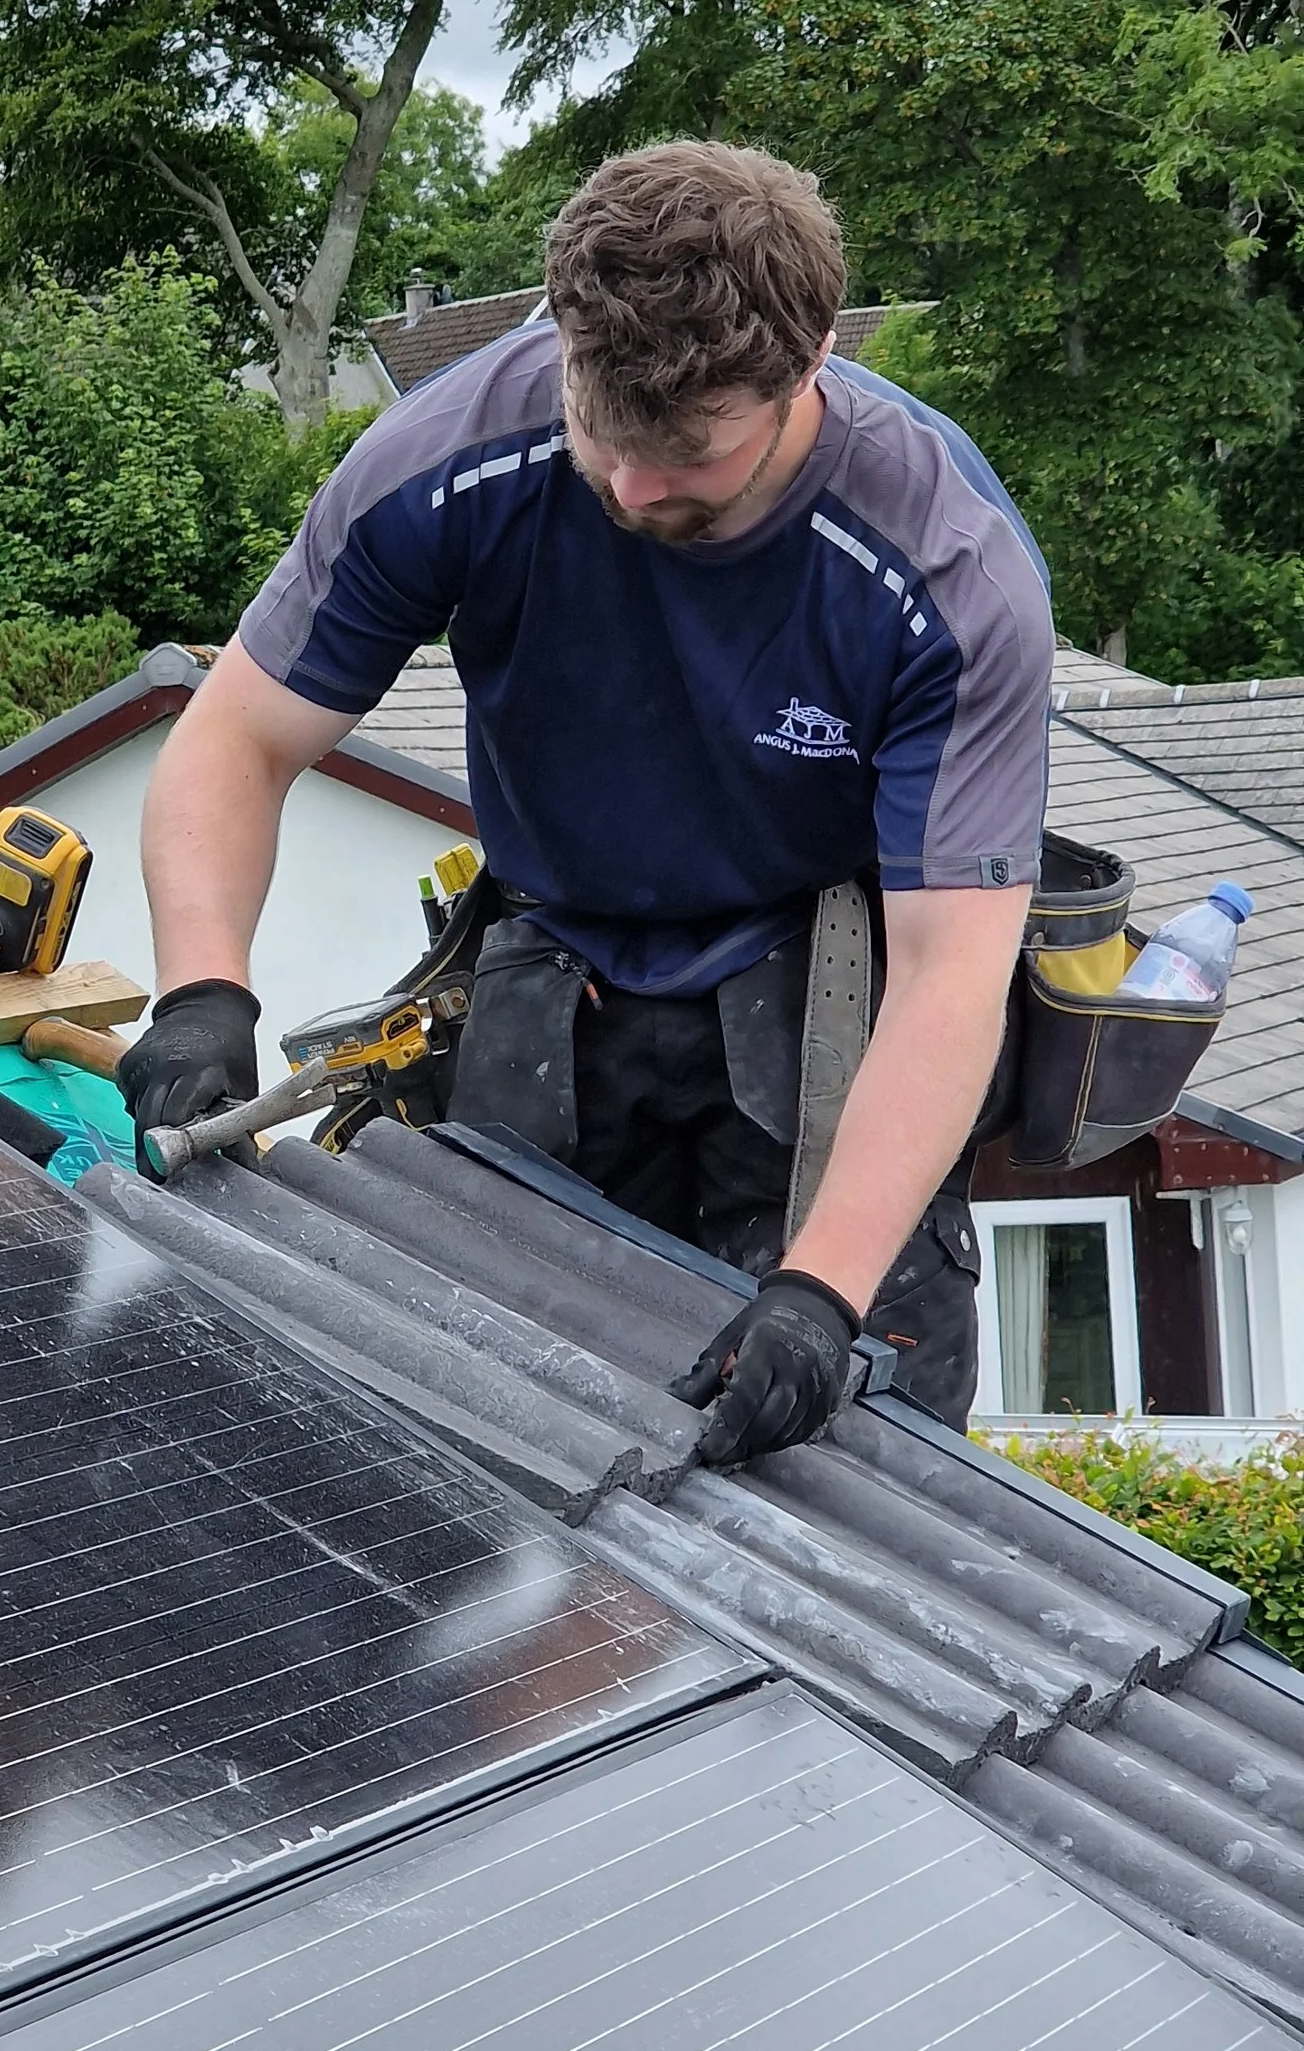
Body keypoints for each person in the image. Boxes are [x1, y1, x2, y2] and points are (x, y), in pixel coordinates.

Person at [119, 141, 1055, 1464]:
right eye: (600, 434)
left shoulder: (945, 570)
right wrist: (204, 989)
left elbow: (952, 973)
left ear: (813, 362)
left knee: (846, 1456)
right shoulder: (451, 460)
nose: (628, 487)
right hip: (554, 975)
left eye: (687, 459)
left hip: (826, 1002)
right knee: (487, 1429)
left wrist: (824, 1283)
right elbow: (236, 742)